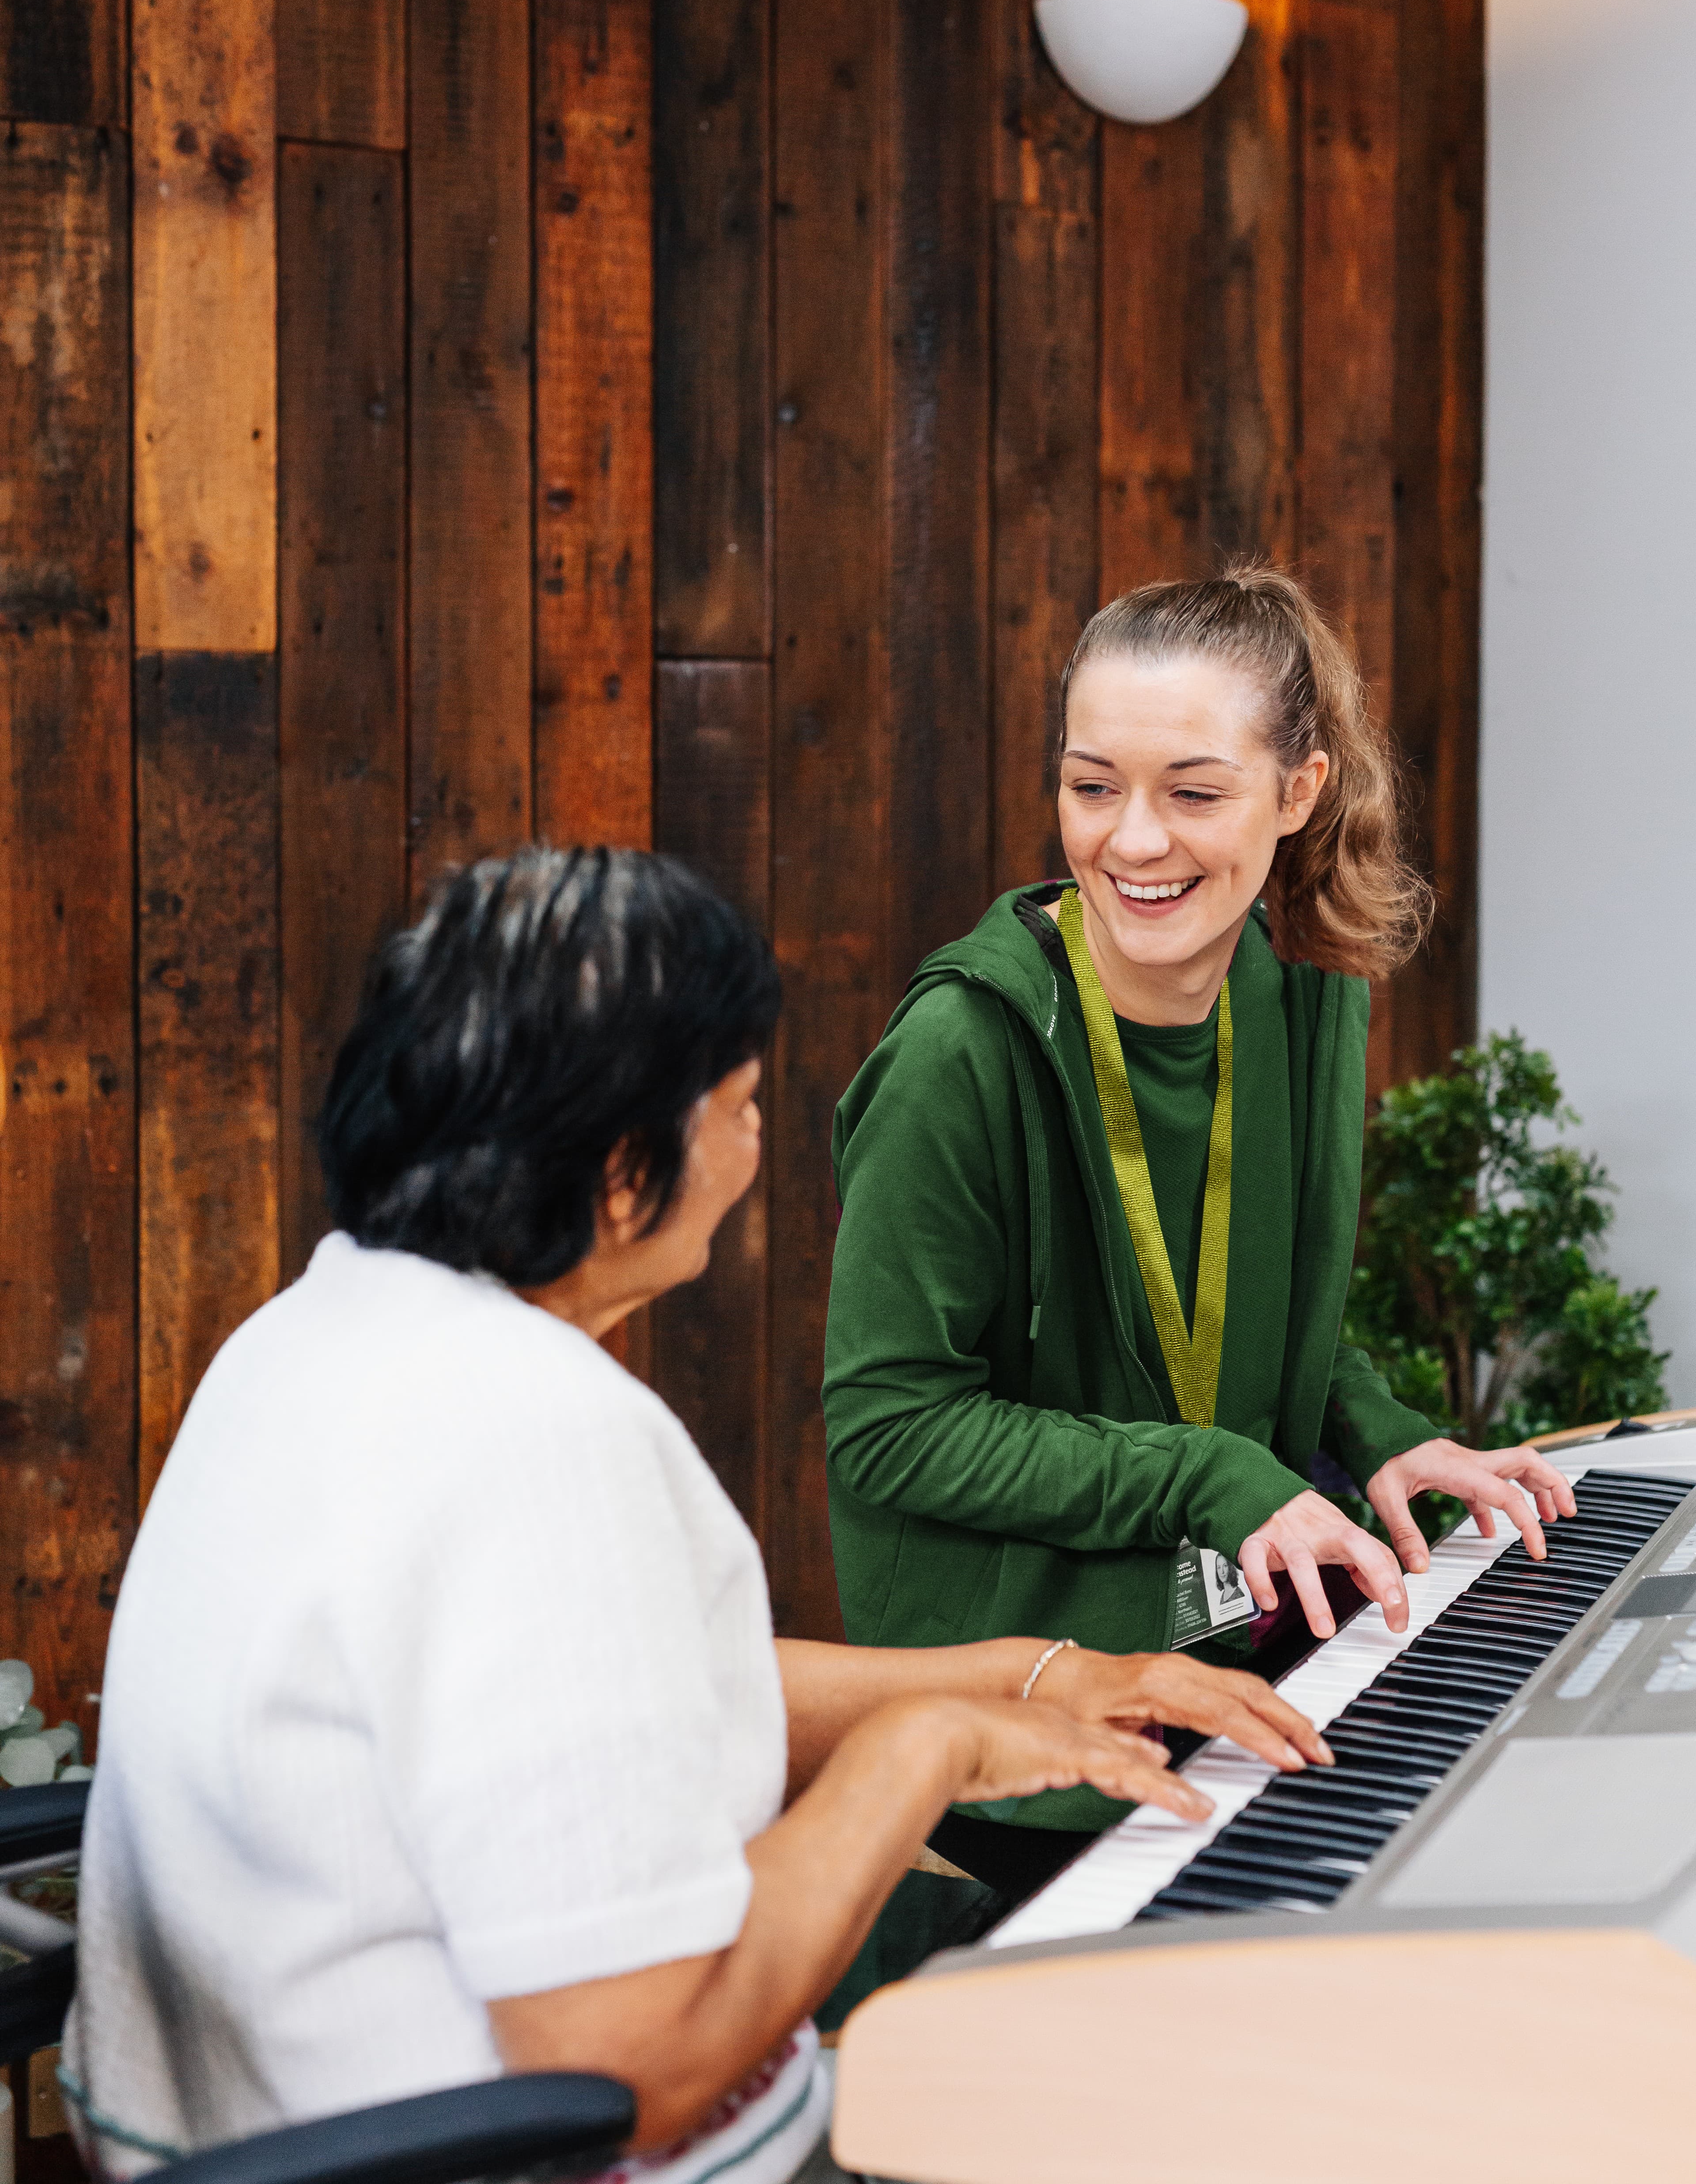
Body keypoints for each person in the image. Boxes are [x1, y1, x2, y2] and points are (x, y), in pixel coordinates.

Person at [62, 847, 1328, 2184]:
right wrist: (926, 1755)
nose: (758, 1141)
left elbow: (598, 1709)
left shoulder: (317, 1331)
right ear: (620, 1177)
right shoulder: (541, 1436)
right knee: (1208, 2101)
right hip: (502, 2148)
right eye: (736, 1106)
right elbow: (631, 2070)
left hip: (233, 2129)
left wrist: (1039, 1678)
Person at [822, 569, 1577, 1889]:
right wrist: (1215, 1475)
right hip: (1039, 1743)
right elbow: (889, 1430)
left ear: (1298, 795)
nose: (1133, 840)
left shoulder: (1292, 1004)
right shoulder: (960, 1051)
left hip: (1233, 1661)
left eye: (1194, 791)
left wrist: (1383, 1434)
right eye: (1092, 784)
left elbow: (1257, 1312)